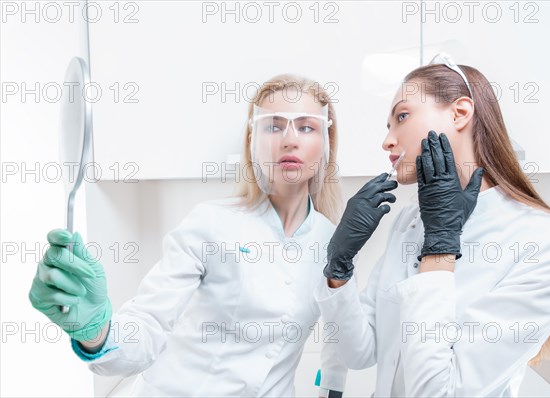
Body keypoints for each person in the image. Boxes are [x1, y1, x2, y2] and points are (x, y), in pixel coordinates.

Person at [28, 74, 350, 397]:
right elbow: (149, 322)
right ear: (253, 141)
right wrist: (97, 331)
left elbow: (341, 345)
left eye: (306, 127)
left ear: (326, 139)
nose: (289, 140)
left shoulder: (334, 243)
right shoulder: (212, 223)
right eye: (274, 126)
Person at [316, 56, 550, 397]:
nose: (387, 141)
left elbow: (439, 392)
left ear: (460, 112)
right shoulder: (409, 222)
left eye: (401, 117)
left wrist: (440, 248)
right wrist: (338, 267)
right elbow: (359, 352)